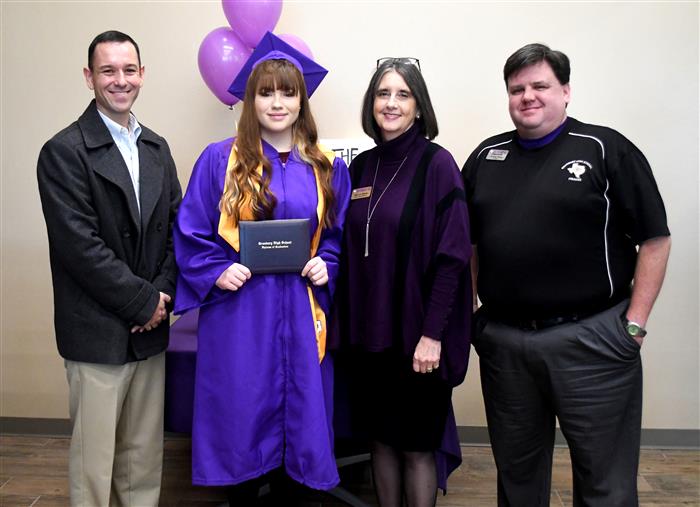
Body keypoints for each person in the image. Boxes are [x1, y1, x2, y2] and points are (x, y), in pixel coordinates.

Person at [462, 43, 671, 507]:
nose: (528, 97)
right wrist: (475, 310)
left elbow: (655, 239)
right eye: (517, 89)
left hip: (592, 340)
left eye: (540, 86)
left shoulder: (604, 148)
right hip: (506, 343)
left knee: (605, 482)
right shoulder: (485, 157)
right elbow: (469, 242)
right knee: (517, 478)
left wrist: (633, 325)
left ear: (566, 91)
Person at [173, 33, 351, 506]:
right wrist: (215, 271)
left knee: (302, 423)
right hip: (240, 313)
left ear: (302, 99)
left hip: (301, 309)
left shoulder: (326, 167)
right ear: (250, 100)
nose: (277, 103)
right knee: (241, 418)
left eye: (287, 92)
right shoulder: (220, 160)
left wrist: (326, 264)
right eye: (265, 92)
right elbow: (191, 231)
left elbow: (337, 237)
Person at [36, 30, 181, 506]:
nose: (121, 80)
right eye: (108, 71)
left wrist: (161, 298)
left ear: (143, 74)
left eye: (129, 70)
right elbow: (81, 248)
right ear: (88, 77)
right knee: (93, 466)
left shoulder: (158, 149)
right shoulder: (63, 152)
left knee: (142, 461)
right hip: (97, 332)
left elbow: (178, 233)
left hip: (150, 332)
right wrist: (144, 301)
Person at [331, 58, 472, 507]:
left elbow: (453, 260)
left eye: (402, 94)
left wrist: (432, 335)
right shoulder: (361, 168)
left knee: (415, 447)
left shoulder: (438, 164)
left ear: (418, 106)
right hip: (367, 337)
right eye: (382, 94)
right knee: (380, 441)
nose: (390, 104)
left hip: (417, 340)